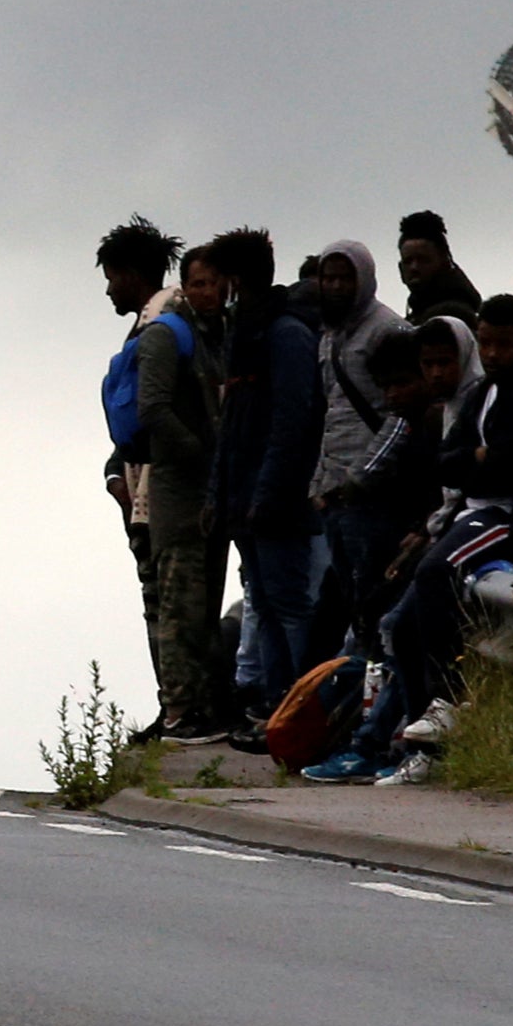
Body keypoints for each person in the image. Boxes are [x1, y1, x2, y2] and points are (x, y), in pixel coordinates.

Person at [309, 293, 513, 784]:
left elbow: (502, 471)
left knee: (436, 573)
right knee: (401, 626)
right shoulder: (479, 396)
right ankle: (418, 742)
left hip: (511, 518)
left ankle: (448, 698)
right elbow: (449, 461)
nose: (494, 354)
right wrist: (473, 459)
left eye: (504, 345)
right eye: (487, 343)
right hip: (474, 511)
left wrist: (478, 462)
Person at [99, 220, 226, 740]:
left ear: (133, 274)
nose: (109, 289)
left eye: (112, 276)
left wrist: (194, 459)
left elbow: (154, 411)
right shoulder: (166, 323)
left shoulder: (164, 326)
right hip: (149, 487)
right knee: (167, 602)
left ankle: (183, 710)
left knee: (174, 603)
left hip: (166, 492)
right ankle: (176, 708)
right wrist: (114, 471)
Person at [202, 228, 318, 745]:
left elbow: (292, 425)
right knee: (266, 605)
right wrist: (218, 496)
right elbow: (233, 423)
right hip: (248, 500)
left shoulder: (284, 334)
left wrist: (265, 496)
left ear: (236, 279)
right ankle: (277, 713)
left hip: (276, 503)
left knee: (288, 606)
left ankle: (303, 713)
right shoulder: (245, 332)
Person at [306, 320, 460, 664]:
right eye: (385, 387)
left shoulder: (434, 425)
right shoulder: (413, 424)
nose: (392, 395)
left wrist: (422, 529)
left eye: (402, 383)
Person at [304, 237, 405, 612]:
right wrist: (320, 483)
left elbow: (403, 412)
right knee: (348, 598)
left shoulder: (388, 330)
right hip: (334, 493)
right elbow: (331, 412)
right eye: (327, 278)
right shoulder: (329, 336)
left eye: (344, 279)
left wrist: (363, 475)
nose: (334, 286)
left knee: (373, 595)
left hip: (373, 493)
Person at [394, 212, 483, 324]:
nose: (414, 267)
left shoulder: (453, 316)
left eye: (423, 260)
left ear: (444, 262)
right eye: (408, 261)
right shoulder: (417, 313)